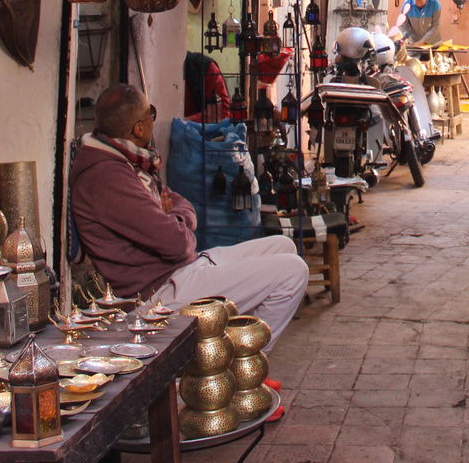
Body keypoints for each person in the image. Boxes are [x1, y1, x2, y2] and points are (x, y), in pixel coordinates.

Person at [70, 84, 308, 344]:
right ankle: (243, 365)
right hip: (157, 292)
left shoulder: (130, 159)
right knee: (293, 271)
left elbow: (181, 203)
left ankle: (229, 348)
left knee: (283, 246)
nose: (152, 119)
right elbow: (178, 244)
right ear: (138, 128)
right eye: (150, 114)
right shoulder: (108, 176)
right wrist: (176, 223)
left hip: (181, 269)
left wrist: (174, 217)